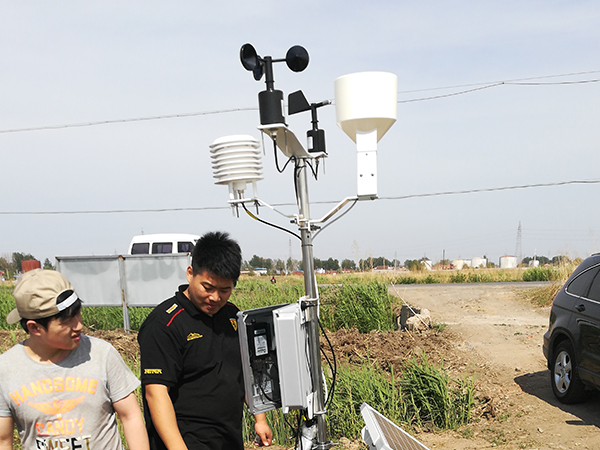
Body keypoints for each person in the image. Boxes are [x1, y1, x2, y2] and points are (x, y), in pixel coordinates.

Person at [138, 231, 272, 450]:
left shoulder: (232, 316)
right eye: (207, 288)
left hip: (228, 440)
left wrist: (260, 419)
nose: (215, 298)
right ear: (190, 274)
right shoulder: (164, 324)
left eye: (224, 290)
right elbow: (156, 392)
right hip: (185, 441)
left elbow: (246, 371)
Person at [0, 269, 149, 450]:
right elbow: (3, 440)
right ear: (34, 328)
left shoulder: (102, 354)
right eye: (66, 321)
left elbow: (131, 416)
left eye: (78, 313)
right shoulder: (6, 370)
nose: (79, 324)